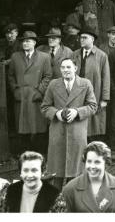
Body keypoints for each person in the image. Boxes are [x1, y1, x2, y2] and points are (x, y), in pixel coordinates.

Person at [41, 58, 97, 189]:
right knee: (56, 171)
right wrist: (56, 113)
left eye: (68, 67)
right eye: (63, 68)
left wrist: (77, 112)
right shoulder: (53, 84)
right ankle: (55, 197)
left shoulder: (85, 83)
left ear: (75, 68)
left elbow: (93, 106)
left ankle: (76, 196)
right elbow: (45, 107)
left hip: (77, 132)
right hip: (58, 131)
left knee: (76, 169)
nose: (65, 70)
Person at [8, 31, 52, 154]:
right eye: (23, 41)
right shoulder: (15, 56)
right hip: (21, 96)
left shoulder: (44, 57)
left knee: (38, 126)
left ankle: (40, 153)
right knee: (23, 126)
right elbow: (10, 75)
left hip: (36, 96)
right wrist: (15, 90)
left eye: (28, 41)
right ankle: (25, 154)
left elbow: (48, 76)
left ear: (34, 42)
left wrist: (40, 91)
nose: (25, 43)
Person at [62, 141, 115, 212]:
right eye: (89, 161)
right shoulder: (70, 189)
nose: (92, 166)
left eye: (97, 162)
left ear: (106, 163)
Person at [71, 26, 111, 141]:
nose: (81, 40)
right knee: (79, 121)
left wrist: (104, 99)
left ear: (92, 39)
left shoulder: (101, 55)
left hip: (94, 93)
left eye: (85, 37)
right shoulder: (75, 54)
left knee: (94, 123)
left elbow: (106, 78)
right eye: (80, 38)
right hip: (77, 93)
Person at [0, 151, 67, 212]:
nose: (29, 175)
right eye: (26, 170)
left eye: (34, 170)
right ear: (20, 173)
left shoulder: (55, 196)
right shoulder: (9, 191)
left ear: (42, 172)